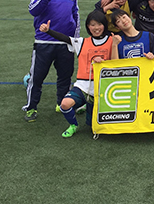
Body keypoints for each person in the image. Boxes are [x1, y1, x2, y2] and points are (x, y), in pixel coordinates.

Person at [38, 10, 112, 138]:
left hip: (104, 88)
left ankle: (88, 106)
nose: (96, 28)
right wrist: (48, 31)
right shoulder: (82, 42)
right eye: (93, 25)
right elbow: (65, 38)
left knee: (92, 125)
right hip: (83, 86)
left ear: (104, 25)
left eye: (99, 24)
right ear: (88, 26)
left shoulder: (113, 41)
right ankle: (73, 125)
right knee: (64, 104)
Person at [24, 0, 79, 123]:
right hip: (44, 42)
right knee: (37, 78)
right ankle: (31, 107)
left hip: (65, 43)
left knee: (65, 77)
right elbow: (32, 10)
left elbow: (75, 16)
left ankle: (61, 104)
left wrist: (75, 40)